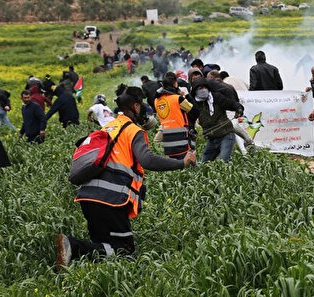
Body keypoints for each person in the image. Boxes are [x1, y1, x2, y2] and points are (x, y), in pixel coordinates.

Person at [56, 93, 197, 265]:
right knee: (125, 252)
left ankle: (71, 260)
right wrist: (182, 162)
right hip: (111, 199)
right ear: (136, 107)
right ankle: (72, 245)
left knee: (103, 248)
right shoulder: (133, 130)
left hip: (87, 197)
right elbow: (148, 160)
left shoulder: (108, 127)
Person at [187, 77, 244, 163]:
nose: (203, 90)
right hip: (212, 138)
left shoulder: (216, 97)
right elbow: (191, 118)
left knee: (224, 161)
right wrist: (192, 129)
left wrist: (239, 109)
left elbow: (231, 104)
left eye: (205, 87)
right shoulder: (195, 104)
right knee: (204, 164)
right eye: (200, 88)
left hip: (226, 134)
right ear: (195, 91)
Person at [154, 72, 197, 158]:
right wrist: (186, 95)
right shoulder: (177, 99)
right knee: (187, 164)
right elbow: (195, 111)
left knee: (174, 165)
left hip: (167, 141)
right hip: (182, 141)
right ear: (175, 84)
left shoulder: (156, 100)